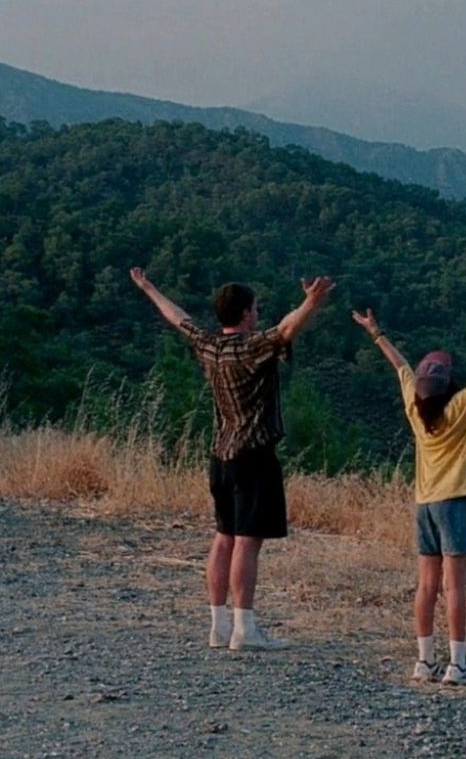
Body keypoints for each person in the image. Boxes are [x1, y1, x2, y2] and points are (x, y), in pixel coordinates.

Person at [130, 268, 334, 651]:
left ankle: (218, 625)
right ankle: (245, 629)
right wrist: (312, 302)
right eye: (255, 309)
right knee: (246, 542)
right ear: (243, 314)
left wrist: (148, 288)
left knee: (223, 538)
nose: (258, 314)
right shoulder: (251, 348)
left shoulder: (209, 345)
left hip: (219, 454)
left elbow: (178, 319)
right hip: (254, 455)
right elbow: (286, 331)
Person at [352, 309, 466, 685]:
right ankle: (458, 664)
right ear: (448, 383)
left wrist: (376, 333)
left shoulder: (414, 409)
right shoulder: (460, 409)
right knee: (454, 587)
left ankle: (424, 661)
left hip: (424, 504)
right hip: (454, 502)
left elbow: (400, 365)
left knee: (426, 585)